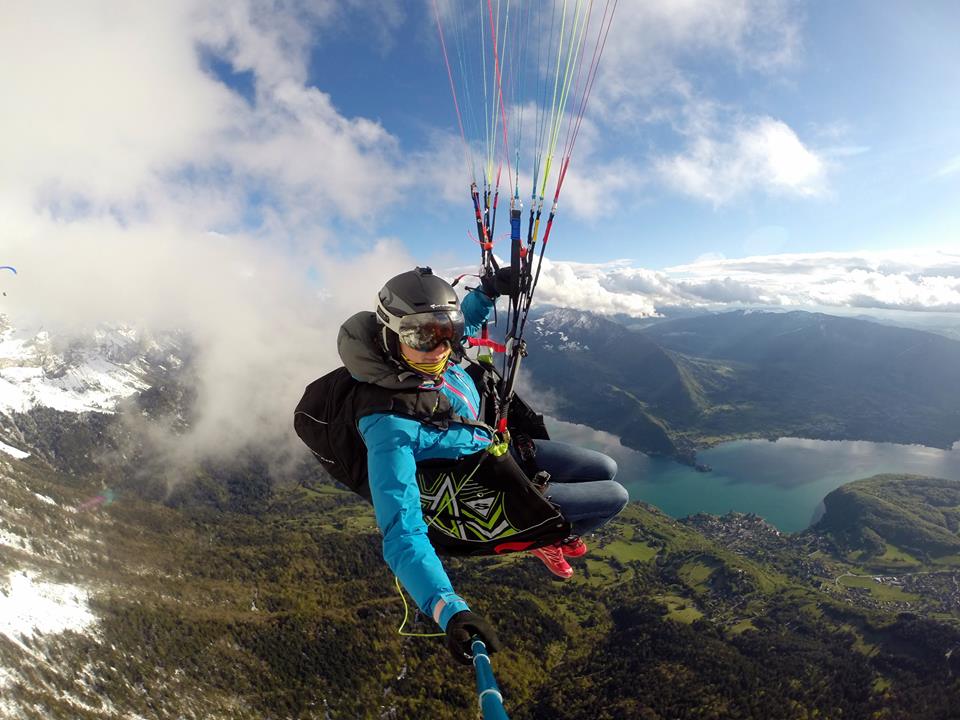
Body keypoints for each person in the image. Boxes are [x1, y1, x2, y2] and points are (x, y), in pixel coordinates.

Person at [330, 267, 628, 664]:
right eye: (423, 336)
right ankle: (545, 540)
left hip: (493, 449)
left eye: (445, 332)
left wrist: (487, 291)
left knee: (604, 465)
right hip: (484, 487)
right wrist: (448, 607)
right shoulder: (388, 425)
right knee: (613, 497)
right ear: (390, 335)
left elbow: (463, 325)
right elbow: (402, 534)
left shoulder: (425, 357)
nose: (439, 347)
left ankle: (549, 530)